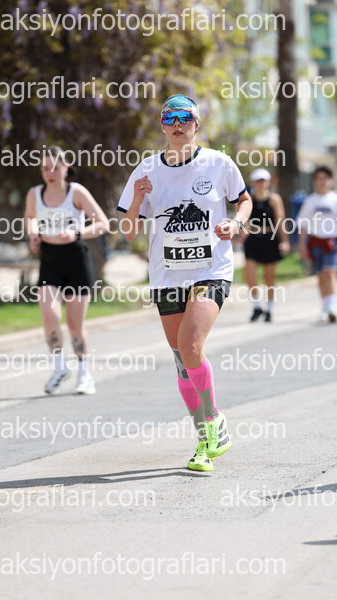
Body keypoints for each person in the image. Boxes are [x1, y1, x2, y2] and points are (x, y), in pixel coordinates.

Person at [118, 94, 252, 472]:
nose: (177, 125)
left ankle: (214, 419)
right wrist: (137, 200)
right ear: (162, 126)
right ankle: (204, 440)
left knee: (191, 346)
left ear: (197, 124)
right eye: (169, 118)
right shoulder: (146, 170)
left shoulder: (219, 163)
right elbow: (128, 231)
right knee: (181, 362)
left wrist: (235, 224)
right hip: (166, 275)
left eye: (185, 118)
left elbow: (244, 201)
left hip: (211, 270)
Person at [24, 146, 108, 394]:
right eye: (45, 168)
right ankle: (60, 367)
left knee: (74, 323)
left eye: (55, 168)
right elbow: (30, 217)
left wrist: (77, 233)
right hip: (50, 260)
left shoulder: (76, 192)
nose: (50, 173)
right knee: (49, 316)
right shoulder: (35, 194)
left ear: (66, 168)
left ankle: (84, 373)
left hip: (76, 260)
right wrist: (33, 234)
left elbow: (103, 223)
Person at [298, 165, 337, 322]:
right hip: (316, 242)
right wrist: (302, 246)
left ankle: (333, 307)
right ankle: (325, 307)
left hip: (332, 242)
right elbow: (303, 225)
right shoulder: (310, 201)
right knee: (321, 275)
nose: (321, 182)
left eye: (324, 178)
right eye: (318, 179)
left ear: (330, 180)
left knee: (331, 273)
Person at [242, 168, 289, 322]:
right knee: (250, 274)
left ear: (268, 182)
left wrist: (284, 241)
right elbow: (244, 218)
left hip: (270, 238)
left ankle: (269, 309)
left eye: (263, 180)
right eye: (258, 180)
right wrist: (242, 232)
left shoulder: (274, 199)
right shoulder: (248, 199)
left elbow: (280, 221)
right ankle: (256, 306)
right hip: (253, 239)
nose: (260, 183)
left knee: (269, 277)